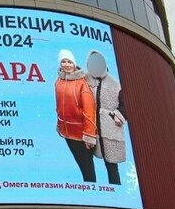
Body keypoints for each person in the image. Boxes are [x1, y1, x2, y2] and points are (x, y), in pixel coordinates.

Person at [54, 49, 98, 183]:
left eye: (69, 62)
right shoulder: (58, 82)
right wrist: (59, 124)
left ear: (74, 63)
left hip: (81, 134)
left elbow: (89, 110)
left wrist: (89, 135)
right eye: (63, 61)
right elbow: (59, 106)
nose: (67, 65)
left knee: (87, 165)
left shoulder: (81, 84)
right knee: (80, 163)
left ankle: (92, 188)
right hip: (67, 132)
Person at [84, 50, 127, 185]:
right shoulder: (86, 79)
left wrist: (117, 116)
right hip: (90, 127)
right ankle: (90, 190)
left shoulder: (114, 83)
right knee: (87, 161)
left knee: (111, 165)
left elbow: (125, 105)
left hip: (109, 128)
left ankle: (116, 190)